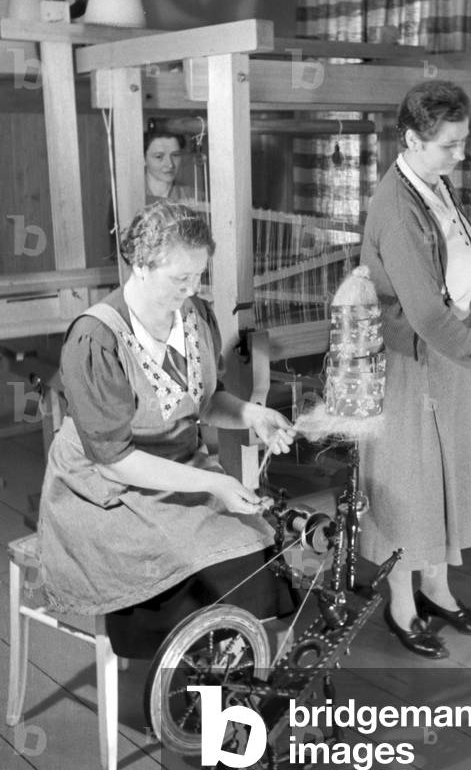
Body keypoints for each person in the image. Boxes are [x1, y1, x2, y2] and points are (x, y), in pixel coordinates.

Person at [38, 201, 295, 658]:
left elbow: (203, 400)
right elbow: (114, 459)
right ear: (140, 265)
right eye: (181, 278)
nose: (193, 288)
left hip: (177, 472)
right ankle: (187, 691)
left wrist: (253, 415)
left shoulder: (195, 317)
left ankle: (223, 684)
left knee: (253, 556)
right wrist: (215, 481)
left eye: (199, 275)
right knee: (191, 572)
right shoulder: (96, 339)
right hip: (103, 490)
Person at [360, 80, 471, 659]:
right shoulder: (397, 205)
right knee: (407, 482)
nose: (460, 156)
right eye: (449, 146)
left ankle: (438, 588)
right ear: (412, 139)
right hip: (407, 362)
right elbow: (427, 314)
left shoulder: (433, 184)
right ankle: (401, 604)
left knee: (446, 473)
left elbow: (450, 268)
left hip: (442, 356)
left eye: (463, 144)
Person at [143, 131, 193, 204]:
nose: (170, 164)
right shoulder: (130, 193)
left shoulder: (192, 195)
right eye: (159, 156)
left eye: (175, 155)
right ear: (143, 158)